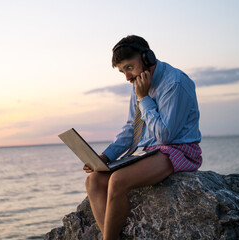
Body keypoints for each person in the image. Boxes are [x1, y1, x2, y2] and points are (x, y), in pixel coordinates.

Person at [83, 35, 202, 240]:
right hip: (151, 152)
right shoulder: (138, 84)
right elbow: (132, 127)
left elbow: (165, 136)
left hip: (179, 150)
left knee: (118, 180)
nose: (127, 77)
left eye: (129, 67)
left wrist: (144, 98)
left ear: (147, 58)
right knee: (94, 180)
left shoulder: (174, 83)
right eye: (122, 71)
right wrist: (106, 157)